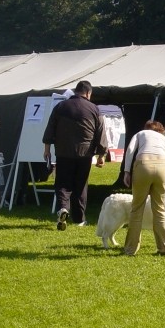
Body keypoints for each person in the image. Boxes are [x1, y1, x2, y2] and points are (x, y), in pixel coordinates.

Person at [43, 80, 107, 230]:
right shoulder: (94, 109)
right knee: (80, 185)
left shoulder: (60, 107)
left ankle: (63, 208)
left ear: (76, 91)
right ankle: (79, 219)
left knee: (63, 184)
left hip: (63, 152)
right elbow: (101, 133)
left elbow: (50, 129)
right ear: (88, 93)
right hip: (85, 153)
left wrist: (46, 148)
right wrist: (101, 155)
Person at [123, 120, 165, 256]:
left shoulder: (140, 134)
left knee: (137, 208)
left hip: (143, 165)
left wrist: (127, 171)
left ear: (146, 128)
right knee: (159, 209)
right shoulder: (164, 140)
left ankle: (130, 249)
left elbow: (130, 150)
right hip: (162, 167)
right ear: (161, 130)